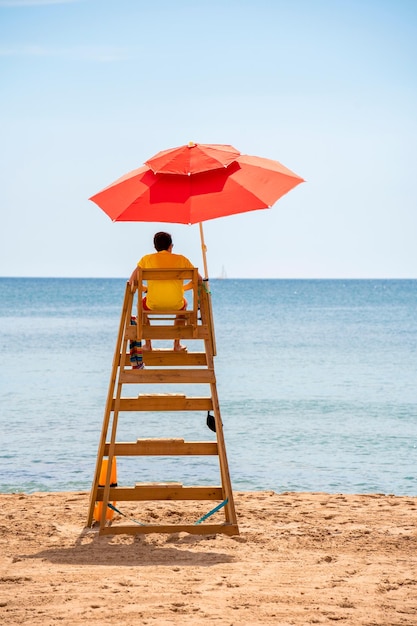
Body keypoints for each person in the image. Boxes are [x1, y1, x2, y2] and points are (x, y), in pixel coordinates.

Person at [129, 231, 202, 351]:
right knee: (184, 303)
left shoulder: (146, 259)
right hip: (176, 304)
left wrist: (146, 289)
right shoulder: (182, 260)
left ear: (155, 247)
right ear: (170, 246)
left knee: (140, 306)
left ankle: (148, 344)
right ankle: (177, 344)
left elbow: (132, 281)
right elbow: (198, 279)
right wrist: (183, 288)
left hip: (152, 304)